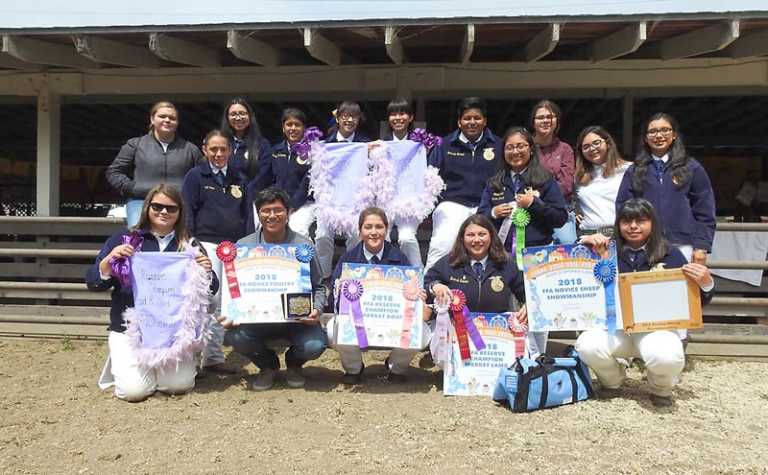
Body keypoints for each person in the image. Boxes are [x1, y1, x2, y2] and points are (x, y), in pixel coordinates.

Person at [576, 198, 714, 407]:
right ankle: (612, 381)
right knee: (587, 345)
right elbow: (575, 277)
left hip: (655, 331)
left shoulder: (671, 254)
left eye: (641, 221)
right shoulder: (604, 251)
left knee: (666, 355)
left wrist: (706, 282)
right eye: (626, 221)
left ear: (653, 223)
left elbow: (696, 301)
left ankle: (660, 388)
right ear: (618, 224)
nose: (633, 227)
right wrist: (583, 246)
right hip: (615, 329)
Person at [86, 184, 216, 402]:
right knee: (133, 392)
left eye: (171, 208)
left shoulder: (189, 244)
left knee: (177, 386)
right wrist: (109, 262)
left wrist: (206, 272)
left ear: (179, 212)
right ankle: (125, 361)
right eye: (157, 206)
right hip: (130, 329)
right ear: (147, 208)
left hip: (173, 332)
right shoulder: (124, 240)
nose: (164, 212)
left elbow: (212, 290)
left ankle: (162, 371)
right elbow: (93, 282)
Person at [217, 187, 327, 391]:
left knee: (315, 344)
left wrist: (317, 309)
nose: (272, 215)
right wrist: (228, 312)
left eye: (278, 210)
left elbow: (319, 286)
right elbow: (232, 288)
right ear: (258, 214)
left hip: (297, 320)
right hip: (258, 320)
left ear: (288, 213)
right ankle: (268, 366)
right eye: (266, 211)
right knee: (234, 336)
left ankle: (294, 364)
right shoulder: (242, 247)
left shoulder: (303, 246)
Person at [326, 207, 430, 384]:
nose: (374, 232)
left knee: (423, 333)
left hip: (391, 318)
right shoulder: (348, 261)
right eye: (368, 227)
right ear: (360, 231)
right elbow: (334, 302)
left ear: (386, 230)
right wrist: (340, 293)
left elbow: (413, 294)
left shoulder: (401, 259)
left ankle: (396, 367)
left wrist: (419, 301)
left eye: (379, 227)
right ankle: (354, 368)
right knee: (331, 328)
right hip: (358, 321)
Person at [424, 214, 546, 357]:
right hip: (458, 331)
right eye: (470, 235)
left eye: (482, 234)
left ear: (491, 236)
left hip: (497, 330)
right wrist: (435, 286)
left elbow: (526, 290)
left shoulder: (506, 263)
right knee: (445, 360)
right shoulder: (449, 261)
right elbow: (428, 281)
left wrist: (529, 304)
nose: (476, 240)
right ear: (462, 238)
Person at [181, 129, 249, 375]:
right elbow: (187, 211)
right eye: (214, 149)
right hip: (205, 244)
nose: (219, 154)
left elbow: (247, 216)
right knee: (207, 299)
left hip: (233, 247)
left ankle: (213, 358)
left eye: (223, 149)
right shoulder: (195, 176)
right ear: (204, 149)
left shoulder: (239, 177)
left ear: (230, 151)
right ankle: (193, 358)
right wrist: (192, 245)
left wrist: (247, 245)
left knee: (225, 301)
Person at [616, 112, 716, 265]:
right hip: (645, 246)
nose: (659, 135)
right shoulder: (635, 170)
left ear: (674, 135)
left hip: (682, 244)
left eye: (665, 130)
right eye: (653, 131)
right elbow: (623, 207)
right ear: (645, 138)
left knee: (683, 289)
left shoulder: (691, 167)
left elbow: (705, 210)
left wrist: (701, 246)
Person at [425, 97, 502, 271]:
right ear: (459, 122)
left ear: (485, 121)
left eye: (477, 118)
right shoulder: (444, 145)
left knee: (498, 249)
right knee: (443, 245)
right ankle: (429, 285)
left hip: (487, 206)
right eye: (467, 118)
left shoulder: (499, 145)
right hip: (453, 204)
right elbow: (430, 178)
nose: (472, 122)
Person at [478, 126, 568, 262]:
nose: (515, 151)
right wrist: (493, 213)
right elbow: (480, 217)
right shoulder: (494, 183)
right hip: (502, 254)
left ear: (531, 149)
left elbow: (560, 218)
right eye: (509, 147)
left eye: (520, 146)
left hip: (539, 254)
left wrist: (535, 204)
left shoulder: (545, 180)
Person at [106, 101, 203, 228]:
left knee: (186, 239)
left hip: (179, 204)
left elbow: (203, 176)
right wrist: (131, 187)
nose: (167, 120)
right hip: (141, 201)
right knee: (137, 237)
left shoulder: (191, 149)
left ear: (177, 123)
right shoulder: (135, 145)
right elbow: (113, 172)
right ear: (152, 119)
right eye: (162, 116)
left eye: (172, 118)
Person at [379, 98, 424, 268]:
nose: (398, 118)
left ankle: (418, 276)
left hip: (410, 202)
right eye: (393, 114)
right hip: (386, 201)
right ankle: (384, 273)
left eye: (402, 113)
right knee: (382, 236)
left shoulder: (422, 143)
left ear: (411, 117)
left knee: (406, 238)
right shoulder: (381, 144)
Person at [530, 100, 577, 245]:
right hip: (530, 208)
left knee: (567, 243)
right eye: (540, 117)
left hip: (559, 208)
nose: (545, 120)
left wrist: (540, 194)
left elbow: (567, 185)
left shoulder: (565, 149)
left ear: (557, 121)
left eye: (550, 117)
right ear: (533, 122)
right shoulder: (525, 147)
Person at [574, 126, 630, 237]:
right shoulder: (578, 177)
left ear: (608, 143)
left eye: (596, 143)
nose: (592, 148)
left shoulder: (628, 170)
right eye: (586, 147)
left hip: (620, 236)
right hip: (588, 237)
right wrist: (574, 212)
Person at [220, 97, 272, 184]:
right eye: (233, 114)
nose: (238, 118)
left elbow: (264, 175)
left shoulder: (262, 145)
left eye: (242, 113)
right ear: (227, 118)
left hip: (252, 195)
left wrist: (246, 193)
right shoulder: (221, 143)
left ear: (250, 116)